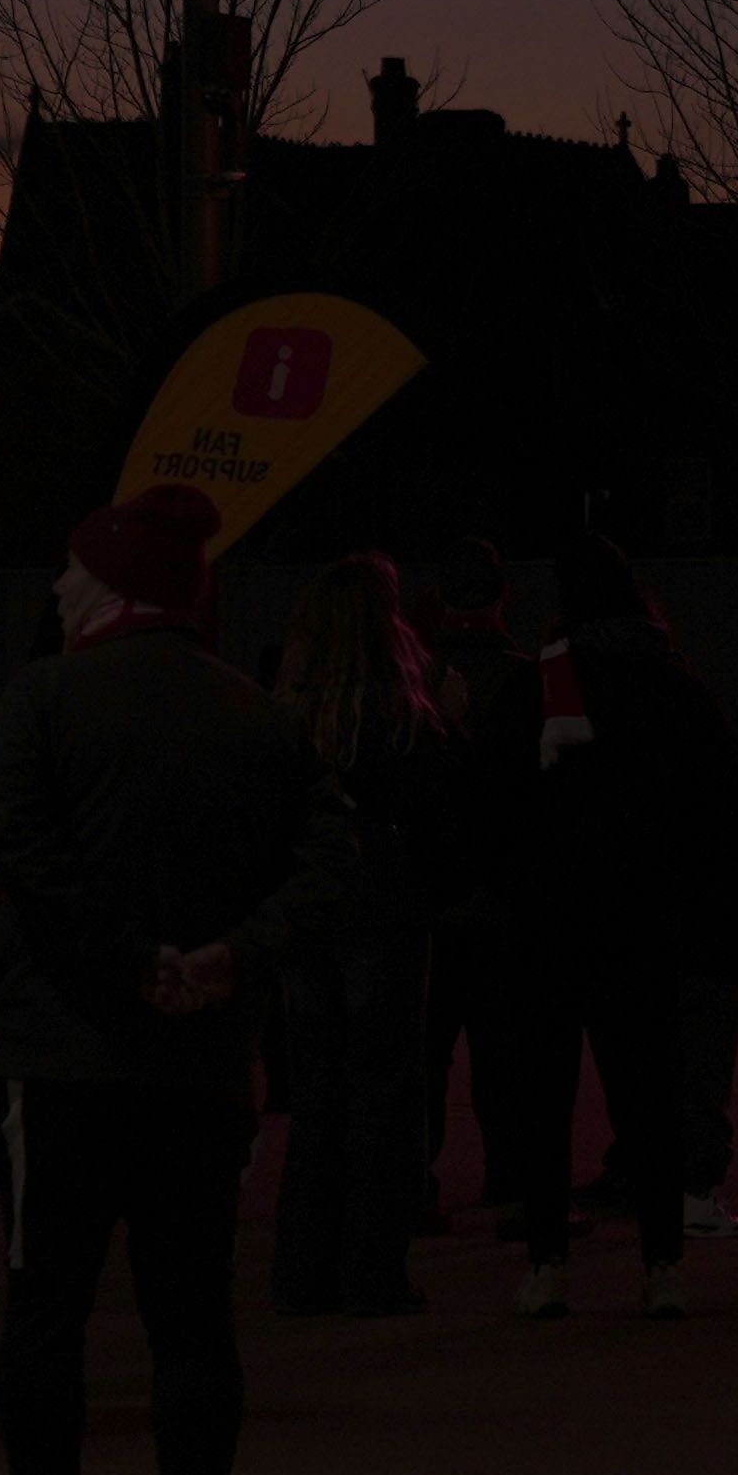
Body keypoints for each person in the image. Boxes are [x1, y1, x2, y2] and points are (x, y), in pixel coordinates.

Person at [0, 483, 326, 1475]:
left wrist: (127, 962)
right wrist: (230, 959)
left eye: (76, 568)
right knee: (190, 1314)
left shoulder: (42, 700)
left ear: (115, 583)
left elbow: (21, 854)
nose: (58, 584)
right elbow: (335, 869)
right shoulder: (260, 718)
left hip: (65, 1056)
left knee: (47, 1310)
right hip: (203, 1064)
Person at [456, 541, 738, 1317]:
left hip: (547, 923)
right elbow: (718, 812)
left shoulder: (541, 685)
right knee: (649, 1098)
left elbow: (489, 805)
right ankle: (663, 1264)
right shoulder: (673, 686)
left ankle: (547, 1261)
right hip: (643, 924)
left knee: (543, 1100)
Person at [263, 551, 460, 1314]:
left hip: (309, 908)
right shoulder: (402, 711)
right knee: (384, 1090)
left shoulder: (290, 712)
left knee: (318, 1093)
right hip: (382, 906)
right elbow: (443, 813)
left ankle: (303, 1269)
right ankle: (371, 1270)